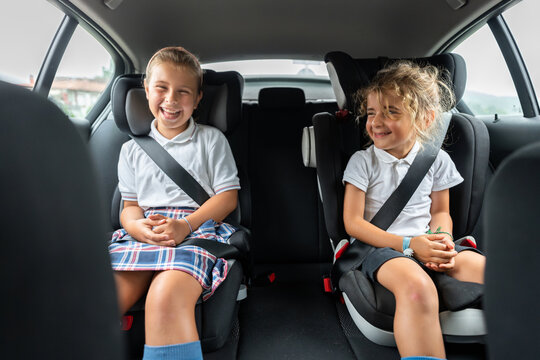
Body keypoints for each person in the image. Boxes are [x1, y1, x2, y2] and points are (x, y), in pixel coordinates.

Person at [342, 61, 485, 360]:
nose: (376, 121)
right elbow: (353, 223)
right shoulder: (363, 161)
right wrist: (409, 245)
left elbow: (441, 212)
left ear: (426, 118)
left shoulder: (437, 160)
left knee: (496, 273)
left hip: (426, 242)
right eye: (371, 112)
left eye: (391, 112)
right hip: (383, 249)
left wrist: (441, 240)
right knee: (417, 287)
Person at [108, 46, 240, 360]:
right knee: (100, 300)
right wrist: (136, 227)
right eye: (162, 89)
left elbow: (228, 197)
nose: (171, 100)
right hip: (145, 233)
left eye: (183, 92)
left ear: (197, 99)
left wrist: (185, 226)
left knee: (164, 297)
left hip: (196, 230)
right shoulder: (132, 150)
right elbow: (130, 206)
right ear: (146, 90)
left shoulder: (211, 140)